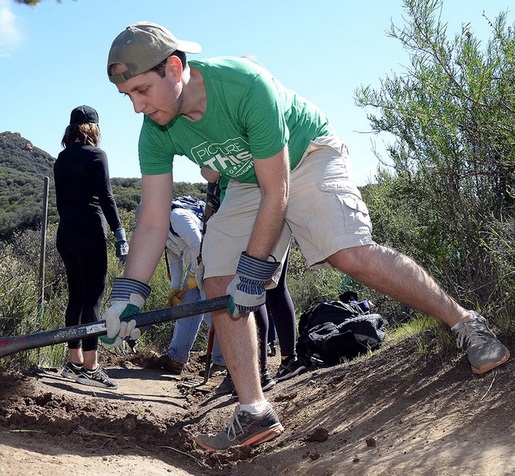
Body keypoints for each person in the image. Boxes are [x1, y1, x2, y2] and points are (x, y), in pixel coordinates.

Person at [103, 22, 510, 451]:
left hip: (306, 155)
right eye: (128, 96)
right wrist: (127, 295)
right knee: (217, 279)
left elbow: (277, 191)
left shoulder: (243, 84)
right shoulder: (155, 131)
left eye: (142, 91)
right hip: (244, 179)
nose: (136, 107)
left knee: (348, 254)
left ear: (173, 67)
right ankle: (254, 411)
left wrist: (253, 272)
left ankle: (465, 323)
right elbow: (152, 219)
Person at [54, 105, 128, 390]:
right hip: (89, 231)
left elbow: (61, 203)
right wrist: (120, 233)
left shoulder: (61, 159)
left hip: (66, 232)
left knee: (76, 296)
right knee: (93, 299)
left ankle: (73, 361)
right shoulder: (97, 155)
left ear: (71, 128)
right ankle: (91, 366)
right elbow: (107, 199)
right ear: (93, 128)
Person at [155, 197, 226, 376]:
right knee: (185, 307)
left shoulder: (177, 217)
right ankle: (176, 358)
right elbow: (174, 261)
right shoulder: (160, 234)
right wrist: (174, 289)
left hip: (213, 258)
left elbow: (198, 245)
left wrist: (195, 274)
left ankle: (221, 362)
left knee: (212, 311)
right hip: (197, 264)